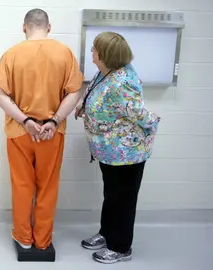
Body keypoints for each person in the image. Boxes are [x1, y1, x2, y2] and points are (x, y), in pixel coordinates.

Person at [0, 9, 84, 250]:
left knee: (22, 186)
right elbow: (75, 91)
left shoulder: (11, 55)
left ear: (24, 27)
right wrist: (53, 121)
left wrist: (25, 120)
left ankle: (23, 238)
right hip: (52, 133)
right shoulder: (64, 54)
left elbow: (0, 95)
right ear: (49, 27)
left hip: (20, 132)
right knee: (48, 186)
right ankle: (43, 240)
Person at [75, 31, 160, 264]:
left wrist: (153, 122)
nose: (91, 51)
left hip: (128, 153)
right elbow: (93, 91)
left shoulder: (123, 81)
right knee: (111, 194)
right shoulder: (104, 72)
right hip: (110, 151)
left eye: (94, 48)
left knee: (123, 198)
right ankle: (106, 234)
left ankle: (121, 247)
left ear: (103, 55)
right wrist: (83, 106)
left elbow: (138, 113)